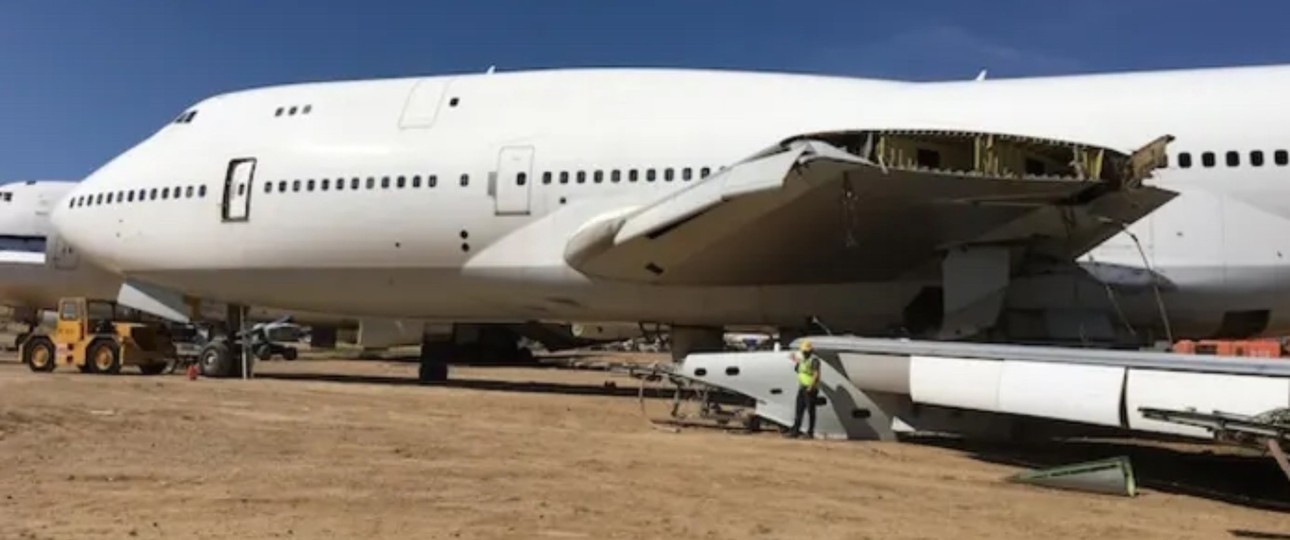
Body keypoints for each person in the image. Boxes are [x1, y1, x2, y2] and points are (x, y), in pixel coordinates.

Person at [787, 339, 821, 438]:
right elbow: (798, 370)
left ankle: (810, 432)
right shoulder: (803, 360)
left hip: (810, 389)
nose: (804, 353)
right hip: (802, 387)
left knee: (811, 411)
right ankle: (795, 431)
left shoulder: (814, 360)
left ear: (810, 351)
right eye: (803, 351)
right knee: (799, 410)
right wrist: (795, 360)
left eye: (805, 351)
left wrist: (811, 386)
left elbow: (816, 374)